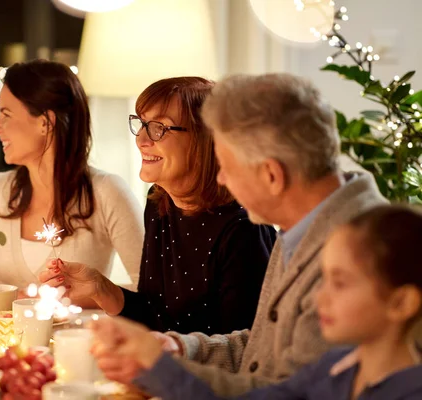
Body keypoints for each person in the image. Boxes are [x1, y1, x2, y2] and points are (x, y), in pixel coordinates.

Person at [88, 73, 388, 393]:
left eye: (227, 166)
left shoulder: (358, 257)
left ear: (271, 175)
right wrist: (180, 349)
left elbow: (290, 395)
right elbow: (262, 349)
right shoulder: (304, 229)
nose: (221, 179)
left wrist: (164, 372)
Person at [92, 205, 422, 400]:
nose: (320, 295)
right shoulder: (335, 366)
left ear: (401, 303)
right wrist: (162, 361)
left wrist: (161, 366)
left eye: (339, 283)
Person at [39, 77, 275, 335]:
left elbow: (241, 352)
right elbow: (156, 315)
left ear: (205, 139)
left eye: (159, 127)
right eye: (142, 124)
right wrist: (102, 289)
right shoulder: (160, 203)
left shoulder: (243, 230)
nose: (141, 139)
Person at [0, 60, 143, 306]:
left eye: (6, 114)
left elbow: (149, 292)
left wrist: (65, 297)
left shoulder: (107, 192)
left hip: (80, 342)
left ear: (45, 122)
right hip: (9, 344)